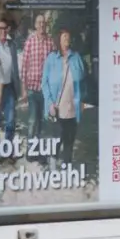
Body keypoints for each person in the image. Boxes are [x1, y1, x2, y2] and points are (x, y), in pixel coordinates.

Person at [42, 28, 86, 167]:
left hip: (72, 106)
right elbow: (44, 83)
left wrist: (82, 100)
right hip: (57, 106)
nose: (67, 39)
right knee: (57, 137)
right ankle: (53, 162)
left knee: (69, 138)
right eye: (64, 36)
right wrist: (49, 103)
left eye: (68, 36)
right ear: (59, 40)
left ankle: (67, 164)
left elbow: (83, 80)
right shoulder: (51, 58)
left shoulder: (76, 57)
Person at [20, 12, 54, 141]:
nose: (41, 25)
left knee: (42, 121)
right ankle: (30, 150)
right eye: (39, 23)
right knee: (32, 120)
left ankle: (39, 150)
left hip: (45, 89)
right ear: (35, 25)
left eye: (43, 23)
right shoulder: (30, 41)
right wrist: (23, 89)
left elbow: (53, 65)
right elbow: (24, 65)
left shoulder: (50, 42)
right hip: (32, 88)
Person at [0, 16, 18, 148]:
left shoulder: (12, 45)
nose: (3, 31)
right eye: (0, 28)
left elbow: (15, 67)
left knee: (11, 121)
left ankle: (7, 148)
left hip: (9, 87)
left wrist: (19, 86)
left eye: (5, 28)